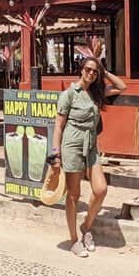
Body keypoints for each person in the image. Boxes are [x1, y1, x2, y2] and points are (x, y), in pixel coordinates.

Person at [51, 56, 126, 257]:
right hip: (72, 145)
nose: (91, 74)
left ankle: (86, 227)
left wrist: (104, 69)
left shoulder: (96, 93)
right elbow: (58, 125)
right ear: (81, 70)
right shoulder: (69, 94)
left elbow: (121, 86)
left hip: (91, 145)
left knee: (100, 189)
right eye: (88, 69)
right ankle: (74, 240)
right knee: (73, 195)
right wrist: (55, 154)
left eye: (95, 71)